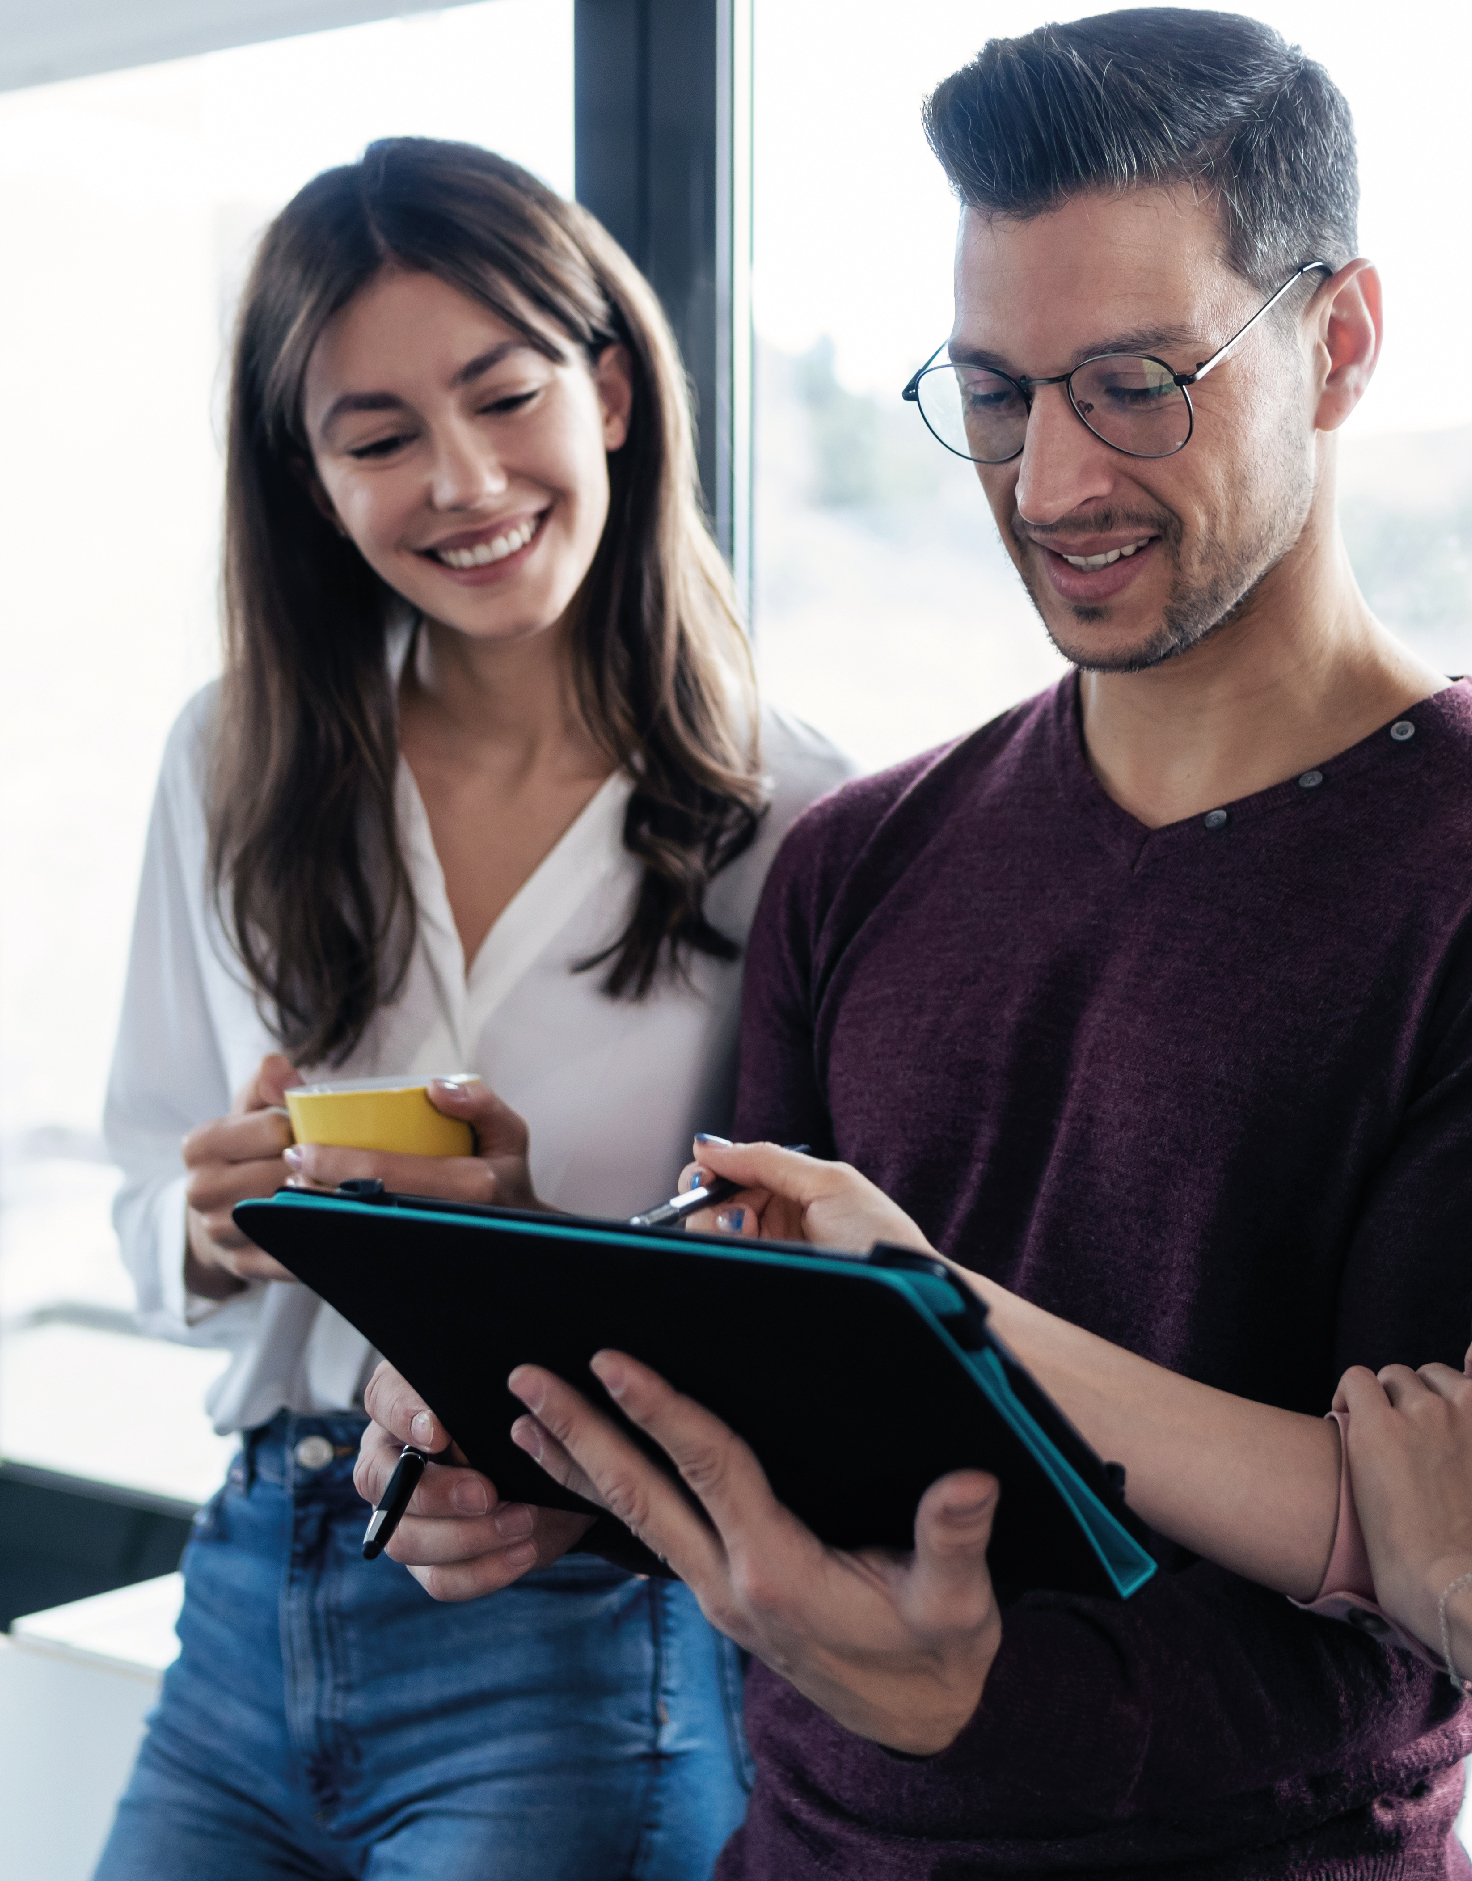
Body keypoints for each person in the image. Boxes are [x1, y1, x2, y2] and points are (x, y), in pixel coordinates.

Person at [355, 15, 1472, 1877]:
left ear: (1338, 342)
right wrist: (568, 1442)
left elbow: (1415, 1596)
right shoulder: (861, 858)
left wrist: (983, 1703)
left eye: (1132, 383)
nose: (1047, 488)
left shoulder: (1449, 874)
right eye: (997, 392)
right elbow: (820, 1410)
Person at [96, 136, 850, 1881]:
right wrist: (210, 1233)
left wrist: (524, 1254)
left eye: (503, 397)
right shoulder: (228, 759)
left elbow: (804, 1307)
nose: (460, 480)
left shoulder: (791, 818)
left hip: (573, 1631)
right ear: (310, 479)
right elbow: (143, 1178)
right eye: (376, 439)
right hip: (244, 1592)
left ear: (607, 389)